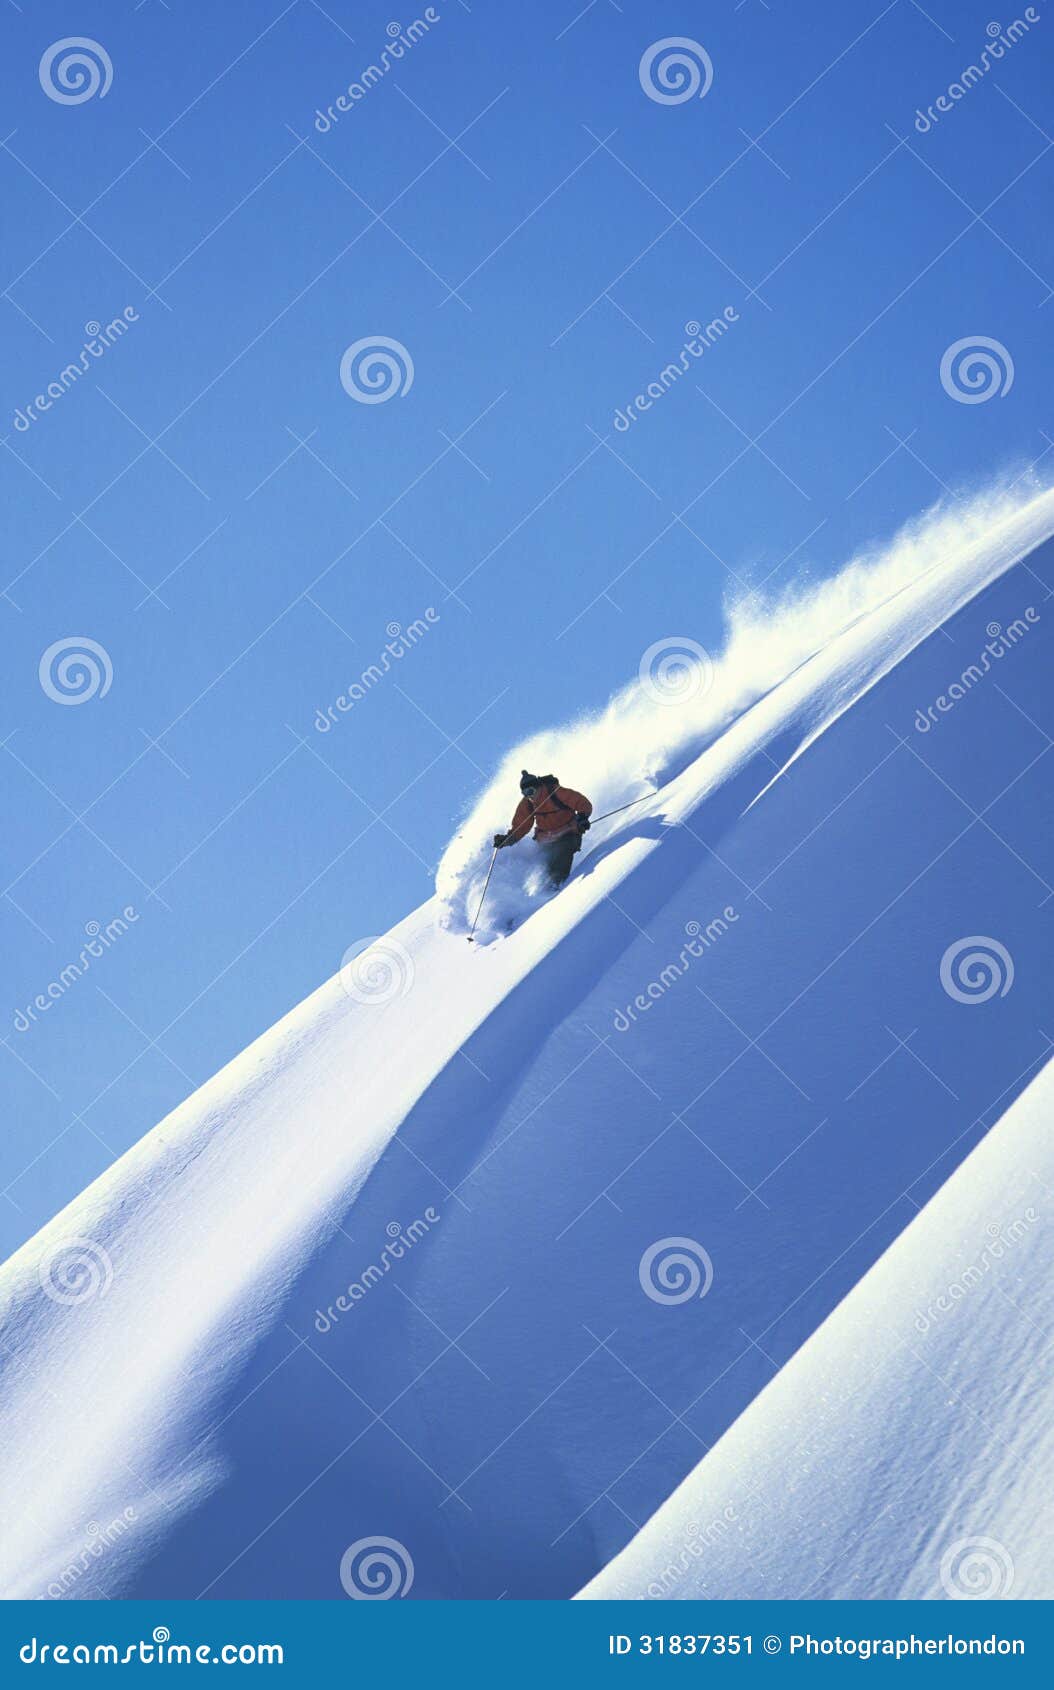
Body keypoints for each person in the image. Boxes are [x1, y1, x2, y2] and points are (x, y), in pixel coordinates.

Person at [494, 770, 593, 887]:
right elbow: (521, 826)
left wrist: (582, 817)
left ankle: (557, 886)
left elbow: (582, 803)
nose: (529, 796)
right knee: (544, 865)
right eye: (525, 793)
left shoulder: (555, 792)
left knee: (562, 853)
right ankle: (542, 892)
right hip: (547, 840)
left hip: (568, 833)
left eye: (530, 791)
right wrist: (507, 839)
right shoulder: (528, 803)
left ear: (538, 787)